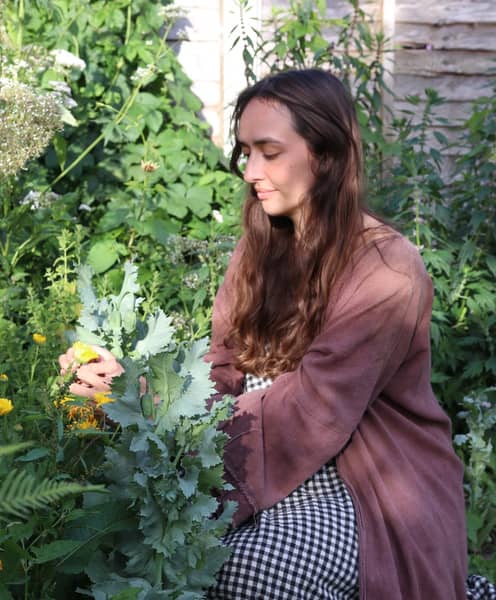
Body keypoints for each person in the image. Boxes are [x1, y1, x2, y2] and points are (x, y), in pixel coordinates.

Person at [204, 68, 495, 599]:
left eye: (269, 152)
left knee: (250, 569)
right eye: (245, 152)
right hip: (258, 449)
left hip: (364, 475)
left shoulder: (386, 267)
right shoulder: (259, 246)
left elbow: (318, 407)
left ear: (327, 154)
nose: (250, 171)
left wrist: (191, 435)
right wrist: (150, 400)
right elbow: (224, 362)